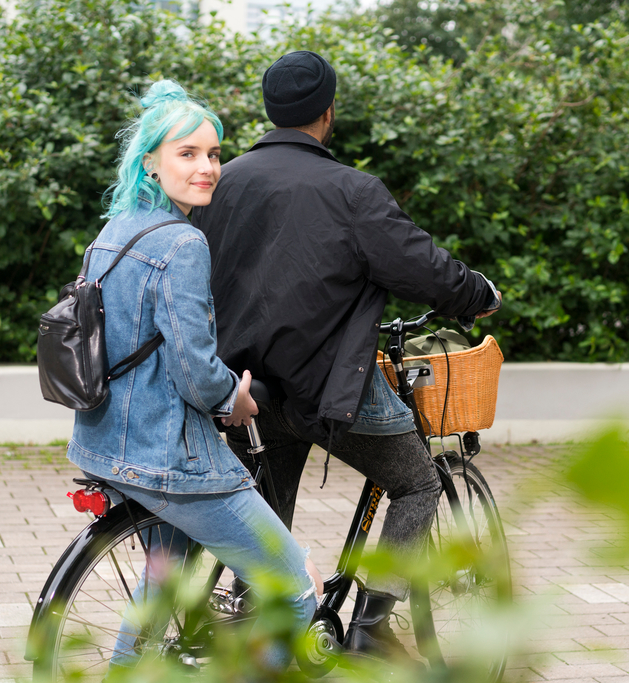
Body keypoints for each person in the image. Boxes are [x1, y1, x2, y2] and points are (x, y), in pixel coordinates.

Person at [192, 51, 501, 665]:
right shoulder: (350, 190)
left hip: (243, 390)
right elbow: (422, 265)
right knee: (416, 482)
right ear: (327, 114)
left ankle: (256, 625)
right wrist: (479, 293)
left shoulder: (221, 183)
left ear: (269, 109)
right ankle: (370, 627)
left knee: (264, 509)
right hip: (328, 388)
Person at [64, 79, 317, 673]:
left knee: (157, 599)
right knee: (294, 587)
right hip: (170, 459)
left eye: (213, 154)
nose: (206, 168)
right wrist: (239, 396)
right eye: (188, 154)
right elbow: (196, 374)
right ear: (150, 162)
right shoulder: (182, 243)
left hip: (104, 446)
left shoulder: (113, 232)